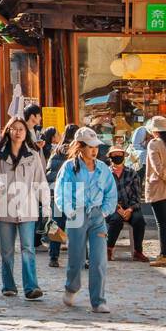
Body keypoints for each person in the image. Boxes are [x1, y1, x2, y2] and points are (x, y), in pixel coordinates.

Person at [0, 118, 50, 299]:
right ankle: (8, 285)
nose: (18, 132)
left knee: (28, 248)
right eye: (14, 129)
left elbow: (40, 181)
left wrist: (47, 206)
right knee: (7, 251)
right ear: (8, 131)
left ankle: (31, 287)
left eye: (21, 129)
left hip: (28, 207)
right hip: (5, 208)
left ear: (26, 133)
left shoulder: (33, 156)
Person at [53, 126, 117, 314]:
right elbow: (61, 192)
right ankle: (71, 287)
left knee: (99, 260)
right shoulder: (69, 167)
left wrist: (104, 212)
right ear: (80, 146)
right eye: (89, 146)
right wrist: (69, 211)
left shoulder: (103, 169)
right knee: (76, 258)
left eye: (96, 146)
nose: (94, 150)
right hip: (76, 215)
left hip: (97, 216)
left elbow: (111, 193)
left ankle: (98, 301)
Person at [105, 145, 148, 262]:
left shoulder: (132, 173)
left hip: (131, 207)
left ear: (124, 156)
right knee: (116, 220)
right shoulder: (105, 174)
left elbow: (137, 195)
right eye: (114, 155)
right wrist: (116, 207)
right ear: (110, 157)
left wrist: (130, 209)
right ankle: (108, 249)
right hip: (112, 208)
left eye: (119, 154)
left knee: (139, 220)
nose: (117, 156)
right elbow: (104, 195)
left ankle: (138, 251)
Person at [45, 123, 77, 267]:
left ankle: (53, 256)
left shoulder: (56, 151)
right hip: (75, 193)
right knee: (78, 225)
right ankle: (82, 256)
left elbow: (50, 173)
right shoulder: (76, 152)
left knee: (57, 225)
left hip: (57, 192)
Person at [143, 115, 166, 268]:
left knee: (162, 223)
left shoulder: (154, 143)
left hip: (158, 187)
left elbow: (157, 167)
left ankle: (164, 255)